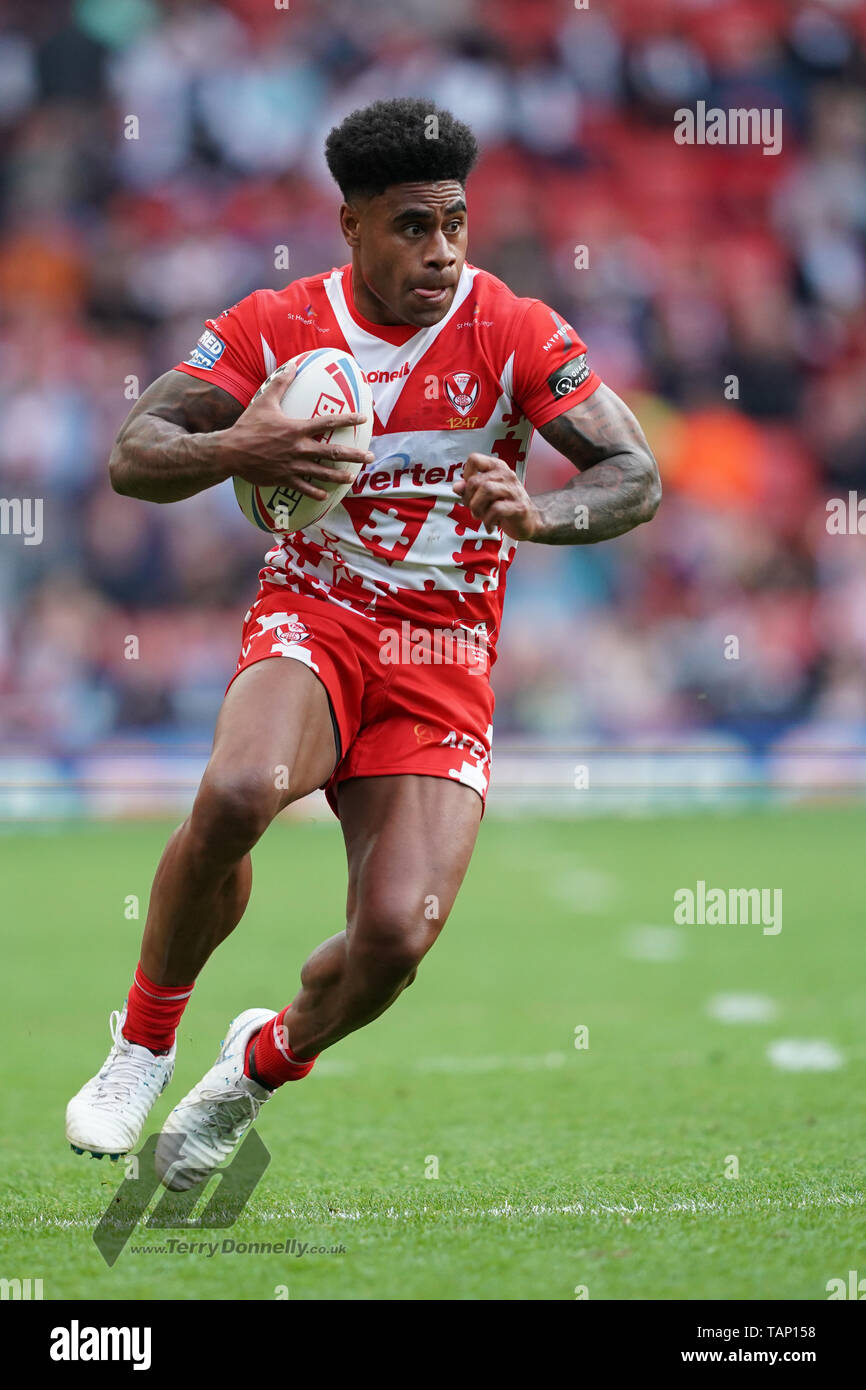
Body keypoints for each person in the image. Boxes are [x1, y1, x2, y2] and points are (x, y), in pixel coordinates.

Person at [66, 98, 660, 1190]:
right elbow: (133, 452)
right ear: (350, 226)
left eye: (454, 224)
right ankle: (141, 1043)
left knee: (393, 939)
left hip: (444, 657)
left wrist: (541, 515)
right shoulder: (279, 323)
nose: (439, 252)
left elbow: (633, 475)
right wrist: (244, 441)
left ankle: (254, 1064)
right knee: (242, 787)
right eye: (411, 227)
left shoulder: (513, 328)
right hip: (319, 616)